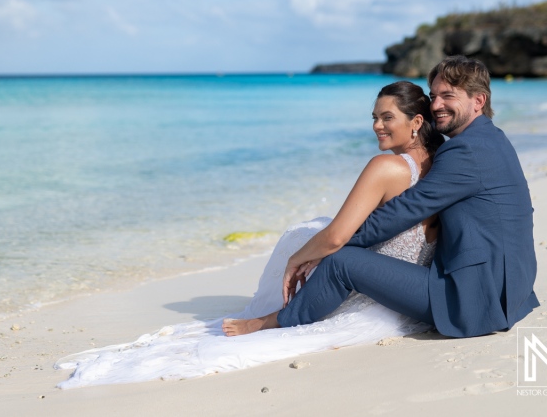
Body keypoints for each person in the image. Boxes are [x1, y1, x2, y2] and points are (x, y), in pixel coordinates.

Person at [56, 81, 445, 388]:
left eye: (387, 118)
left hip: (375, 282)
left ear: (415, 122)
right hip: (408, 281)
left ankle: (270, 319)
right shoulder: (440, 164)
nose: (377, 125)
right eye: (374, 117)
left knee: (308, 237)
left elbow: (337, 237)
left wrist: (298, 260)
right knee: (317, 232)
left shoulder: (386, 167)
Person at [224, 55, 539, 339]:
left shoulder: (465, 151)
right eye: (433, 96)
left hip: (472, 300)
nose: (436, 105)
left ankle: (273, 322)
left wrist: (332, 243)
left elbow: (403, 211)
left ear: (478, 101)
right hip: (510, 287)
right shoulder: (490, 139)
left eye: (448, 96)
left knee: (340, 261)